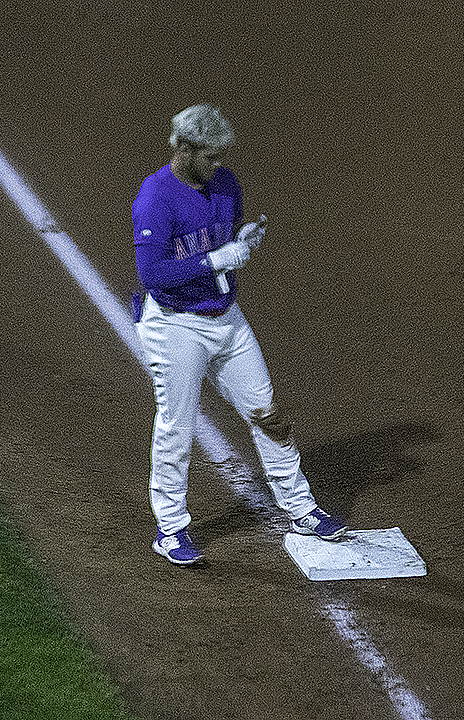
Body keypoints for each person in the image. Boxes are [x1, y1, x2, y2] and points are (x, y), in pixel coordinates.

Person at [132, 103, 348, 565]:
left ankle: (301, 508)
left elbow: (225, 241)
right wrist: (216, 260)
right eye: (210, 156)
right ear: (184, 149)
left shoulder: (225, 184)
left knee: (268, 412)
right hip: (175, 326)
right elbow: (152, 273)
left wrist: (242, 242)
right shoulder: (155, 197)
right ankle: (170, 529)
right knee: (177, 427)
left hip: (226, 320)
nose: (218, 165)